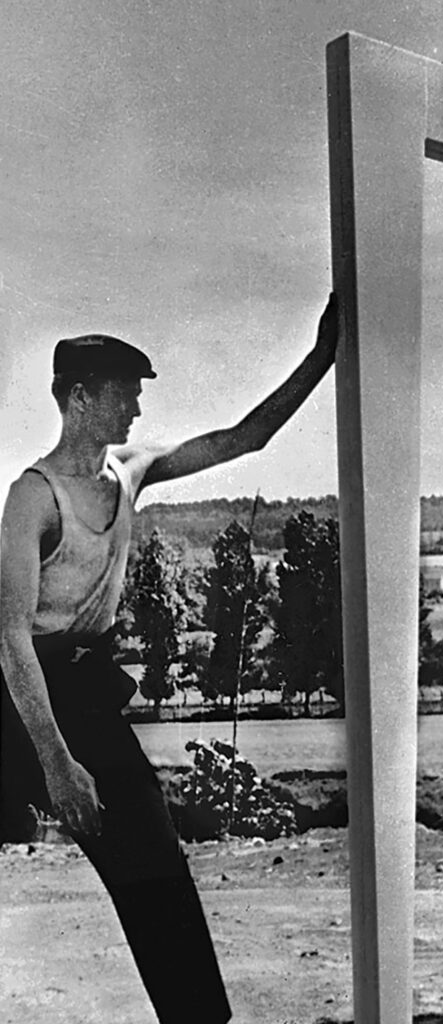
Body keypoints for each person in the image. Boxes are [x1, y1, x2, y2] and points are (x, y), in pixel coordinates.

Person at [0, 294, 338, 1023]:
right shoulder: (32, 499)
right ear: (81, 397)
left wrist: (322, 358)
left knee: (154, 868)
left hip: (85, 700)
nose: (136, 408)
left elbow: (244, 438)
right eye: (124, 392)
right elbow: (10, 639)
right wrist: (56, 765)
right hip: (19, 696)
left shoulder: (132, 471)